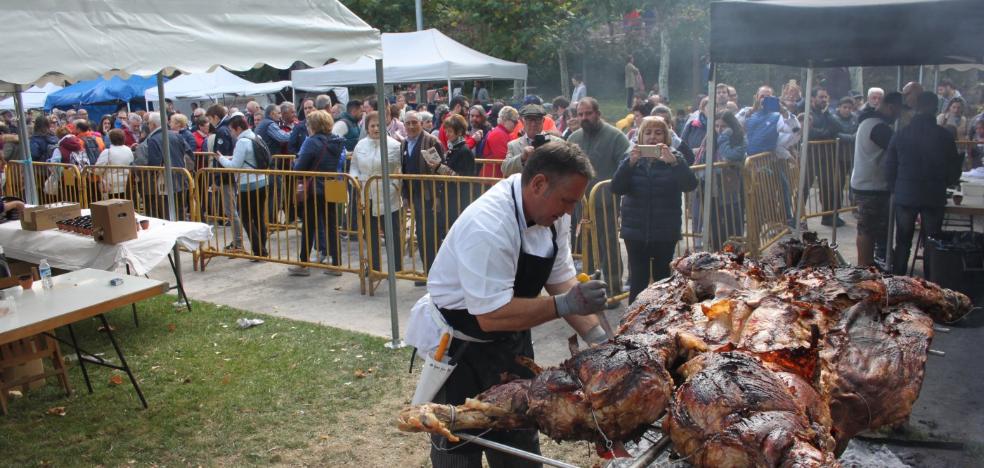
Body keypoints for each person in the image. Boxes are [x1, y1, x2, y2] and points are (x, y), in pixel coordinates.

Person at [419, 140, 608, 467]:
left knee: (518, 445)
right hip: (460, 352)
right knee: (457, 448)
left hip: (511, 344)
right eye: (566, 201)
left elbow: (560, 276)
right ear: (538, 184)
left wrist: (599, 339)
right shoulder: (489, 226)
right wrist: (564, 305)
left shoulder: (553, 215)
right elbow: (490, 315)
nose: (569, 212)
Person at [612, 116, 698, 303]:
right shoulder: (631, 157)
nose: (652, 137)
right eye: (648, 132)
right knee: (638, 280)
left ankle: (661, 321)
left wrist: (674, 163)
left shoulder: (676, 157)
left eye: (658, 132)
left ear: (665, 136)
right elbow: (617, 188)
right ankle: (633, 323)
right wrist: (629, 165)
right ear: (640, 136)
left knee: (662, 279)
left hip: (665, 231)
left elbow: (690, 184)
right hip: (635, 232)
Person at [885, 92, 963, 276]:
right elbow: (953, 169)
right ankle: (930, 283)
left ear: (916, 109)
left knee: (903, 242)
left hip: (905, 194)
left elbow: (889, 166)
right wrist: (947, 182)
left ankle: (898, 280)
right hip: (933, 194)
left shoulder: (901, 134)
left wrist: (894, 188)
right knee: (932, 242)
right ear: (936, 110)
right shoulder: (945, 136)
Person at [568, 97, 629, 301]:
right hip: (580, 205)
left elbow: (627, 162)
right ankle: (590, 292)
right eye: (580, 114)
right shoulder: (574, 138)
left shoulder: (615, 136)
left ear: (598, 113)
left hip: (607, 203)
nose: (584, 118)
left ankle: (613, 290)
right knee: (585, 248)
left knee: (608, 246)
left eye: (588, 113)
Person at [288, 110, 346, 277]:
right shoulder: (338, 141)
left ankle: (304, 263)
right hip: (334, 183)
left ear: (313, 125)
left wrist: (297, 162)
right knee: (333, 226)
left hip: (315, 187)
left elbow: (299, 168)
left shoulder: (311, 142)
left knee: (309, 225)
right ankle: (336, 264)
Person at [850, 91, 903, 268]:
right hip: (870, 186)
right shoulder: (878, 127)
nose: (899, 115)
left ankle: (868, 263)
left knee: (870, 228)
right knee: (867, 229)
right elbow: (898, 149)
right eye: (898, 110)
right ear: (890, 107)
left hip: (869, 183)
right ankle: (864, 265)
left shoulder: (871, 122)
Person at [350, 111, 403, 275]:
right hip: (368, 196)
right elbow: (354, 167)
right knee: (371, 234)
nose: (375, 128)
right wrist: (356, 181)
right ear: (367, 127)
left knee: (392, 234)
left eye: (379, 125)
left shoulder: (395, 145)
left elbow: (399, 170)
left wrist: (394, 188)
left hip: (388, 196)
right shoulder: (360, 145)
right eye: (372, 125)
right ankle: (374, 268)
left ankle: (396, 269)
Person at [214, 115, 270, 259]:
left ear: (238, 128)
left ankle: (259, 250)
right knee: (258, 217)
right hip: (263, 181)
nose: (231, 133)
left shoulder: (242, 142)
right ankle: (262, 249)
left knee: (245, 218)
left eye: (232, 130)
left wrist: (220, 158)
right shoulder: (256, 137)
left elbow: (234, 166)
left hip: (248, 184)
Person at [401, 111, 446, 278]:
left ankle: (434, 273)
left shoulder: (431, 141)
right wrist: (405, 196)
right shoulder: (404, 144)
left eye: (415, 123)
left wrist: (438, 198)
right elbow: (404, 170)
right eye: (408, 123)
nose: (411, 126)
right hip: (415, 197)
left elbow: (440, 171)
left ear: (421, 123)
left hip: (430, 197)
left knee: (430, 235)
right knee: (421, 235)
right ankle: (428, 271)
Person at [803, 86, 844, 227]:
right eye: (821, 97)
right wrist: (826, 132)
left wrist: (828, 115)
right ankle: (798, 218)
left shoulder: (827, 113)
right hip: (809, 156)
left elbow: (839, 127)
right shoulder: (807, 112)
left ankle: (828, 217)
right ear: (813, 98)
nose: (824, 100)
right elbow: (809, 132)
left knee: (829, 186)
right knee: (804, 187)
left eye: (826, 97)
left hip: (826, 156)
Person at [145, 112, 192, 220]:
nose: (148, 126)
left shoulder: (153, 139)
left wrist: (152, 176)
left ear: (153, 124)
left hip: (165, 181)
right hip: (181, 177)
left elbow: (154, 163)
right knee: (180, 211)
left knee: (167, 212)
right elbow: (189, 153)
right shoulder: (177, 135)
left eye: (148, 123)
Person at [501, 104, 564, 177]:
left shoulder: (557, 143)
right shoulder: (513, 145)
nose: (533, 124)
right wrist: (522, 157)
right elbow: (505, 170)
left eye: (537, 120)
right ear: (522, 121)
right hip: (525, 187)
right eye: (529, 120)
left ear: (543, 121)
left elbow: (566, 168)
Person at [94, 129, 135, 198]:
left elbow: (98, 169)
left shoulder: (108, 152)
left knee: (112, 207)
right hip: (127, 184)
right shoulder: (128, 150)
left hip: (112, 186)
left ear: (110, 139)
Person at [480, 106, 519, 178]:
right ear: (504, 119)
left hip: (495, 177)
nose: (516, 124)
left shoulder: (503, 132)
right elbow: (504, 159)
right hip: (491, 178)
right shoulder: (498, 134)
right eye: (515, 122)